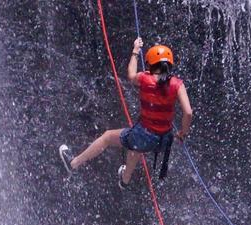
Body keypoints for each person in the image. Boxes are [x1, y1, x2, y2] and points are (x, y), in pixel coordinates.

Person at [59, 37, 193, 189]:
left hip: (145, 136)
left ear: (150, 64)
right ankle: (125, 180)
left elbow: (130, 75)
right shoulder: (177, 84)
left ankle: (73, 163)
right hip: (163, 141)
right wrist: (183, 133)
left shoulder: (145, 79)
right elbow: (188, 113)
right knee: (135, 143)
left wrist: (135, 51)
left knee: (109, 137)